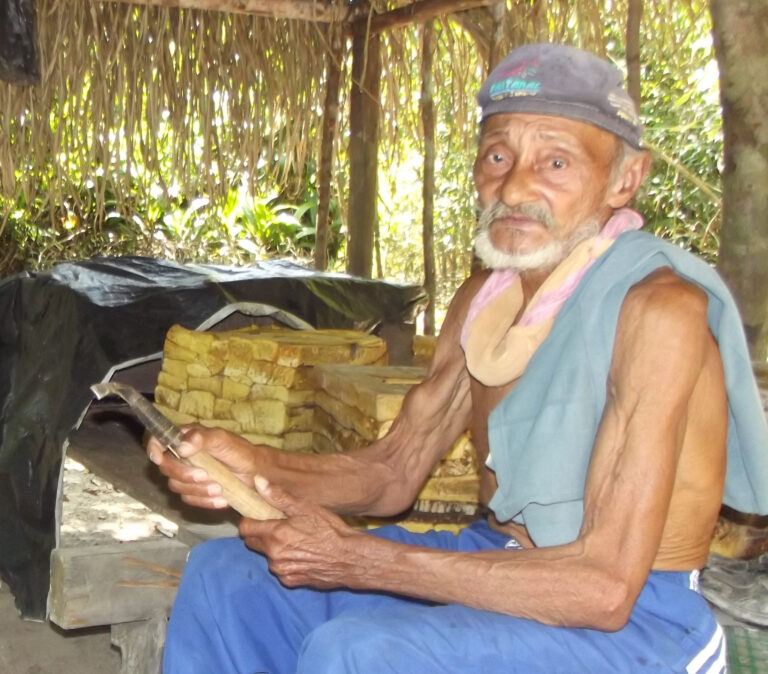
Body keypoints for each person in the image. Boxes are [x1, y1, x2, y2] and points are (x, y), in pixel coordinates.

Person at [147, 43, 768, 674]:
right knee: (230, 578)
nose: (516, 185)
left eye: (555, 162)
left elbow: (603, 589)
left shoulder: (658, 310)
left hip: (636, 621)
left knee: (359, 656)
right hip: (496, 559)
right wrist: (249, 465)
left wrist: (359, 559)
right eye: (498, 155)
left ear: (624, 179)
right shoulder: (487, 300)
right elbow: (394, 473)